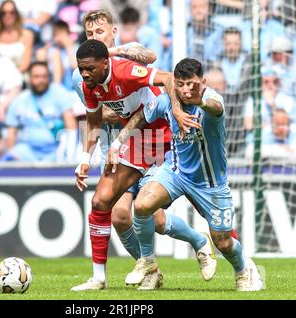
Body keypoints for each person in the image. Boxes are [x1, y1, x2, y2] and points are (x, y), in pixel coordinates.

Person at [109, 58, 264, 291]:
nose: (185, 90)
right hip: (176, 171)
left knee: (223, 241)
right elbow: (141, 116)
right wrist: (117, 144)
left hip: (210, 182)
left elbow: (217, 108)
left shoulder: (211, 100)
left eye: (191, 84)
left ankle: (244, 269)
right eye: (180, 84)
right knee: (142, 205)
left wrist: (200, 100)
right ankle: (147, 263)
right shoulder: (168, 102)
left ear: (202, 81)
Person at [71, 40, 212, 292]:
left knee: (168, 214)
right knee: (102, 202)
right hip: (137, 138)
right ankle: (100, 278)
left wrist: (177, 112)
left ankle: (214, 249)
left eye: (89, 68)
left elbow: (168, 78)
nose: (84, 73)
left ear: (106, 63)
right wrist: (85, 159)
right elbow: (93, 122)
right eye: (81, 68)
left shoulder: (126, 71)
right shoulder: (90, 85)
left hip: (166, 134)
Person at [5, 61, 77, 162]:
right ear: (30, 78)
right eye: (37, 76)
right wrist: (10, 153)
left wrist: (69, 153)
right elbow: (11, 131)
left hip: (55, 151)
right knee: (13, 155)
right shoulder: (20, 99)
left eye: (44, 76)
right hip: (28, 151)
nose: (41, 80)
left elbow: (71, 126)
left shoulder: (60, 94)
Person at [0, 0, 34, 74]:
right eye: (3, 13)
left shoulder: (27, 34)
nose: (7, 16)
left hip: (20, 75)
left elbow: (26, 64)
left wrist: (12, 76)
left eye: (11, 12)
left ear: (16, 14)